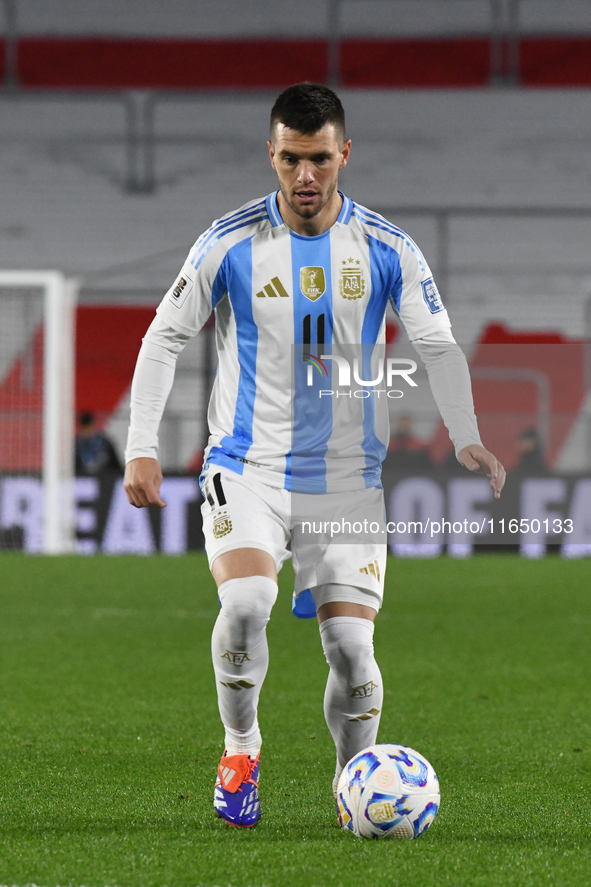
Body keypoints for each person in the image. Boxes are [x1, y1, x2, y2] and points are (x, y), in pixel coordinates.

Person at [123, 83, 505, 828]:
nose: (305, 176)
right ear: (271, 154)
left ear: (343, 155)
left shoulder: (388, 248)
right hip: (247, 468)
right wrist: (141, 445)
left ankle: (350, 785)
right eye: (292, 159)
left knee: (353, 655)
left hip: (346, 485)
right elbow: (165, 335)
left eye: (320, 160)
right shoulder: (229, 241)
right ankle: (241, 747)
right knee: (244, 604)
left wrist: (464, 431)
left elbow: (435, 343)